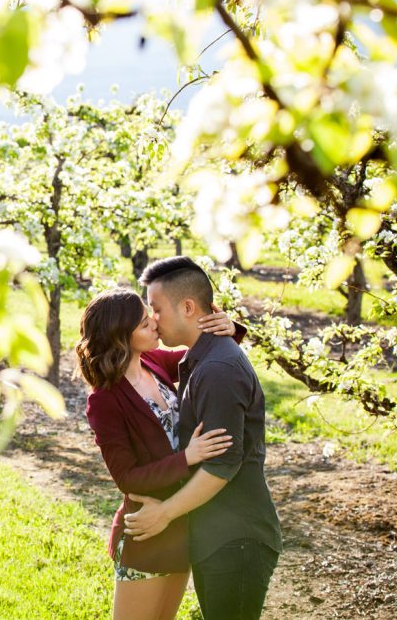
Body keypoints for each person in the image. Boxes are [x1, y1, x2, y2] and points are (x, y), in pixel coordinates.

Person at [123, 256, 283, 620]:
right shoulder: (201, 359)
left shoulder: (217, 370)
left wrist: (164, 514)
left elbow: (222, 466)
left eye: (157, 308)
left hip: (237, 538)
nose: (152, 319)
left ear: (189, 307)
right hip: (220, 535)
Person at [78, 287, 242, 620]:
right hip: (147, 531)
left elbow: (204, 350)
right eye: (143, 323)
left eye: (149, 315)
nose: (155, 323)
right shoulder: (105, 401)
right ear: (121, 338)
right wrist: (188, 458)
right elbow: (126, 477)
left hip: (181, 523)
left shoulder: (154, 361)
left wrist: (228, 325)